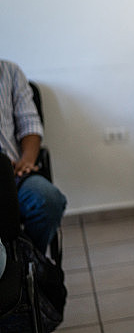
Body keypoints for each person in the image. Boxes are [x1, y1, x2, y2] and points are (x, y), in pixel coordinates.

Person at [0, 60, 66, 254]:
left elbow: (29, 123)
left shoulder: (10, 72)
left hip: (13, 172)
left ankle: (30, 260)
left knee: (48, 200)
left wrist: (27, 160)